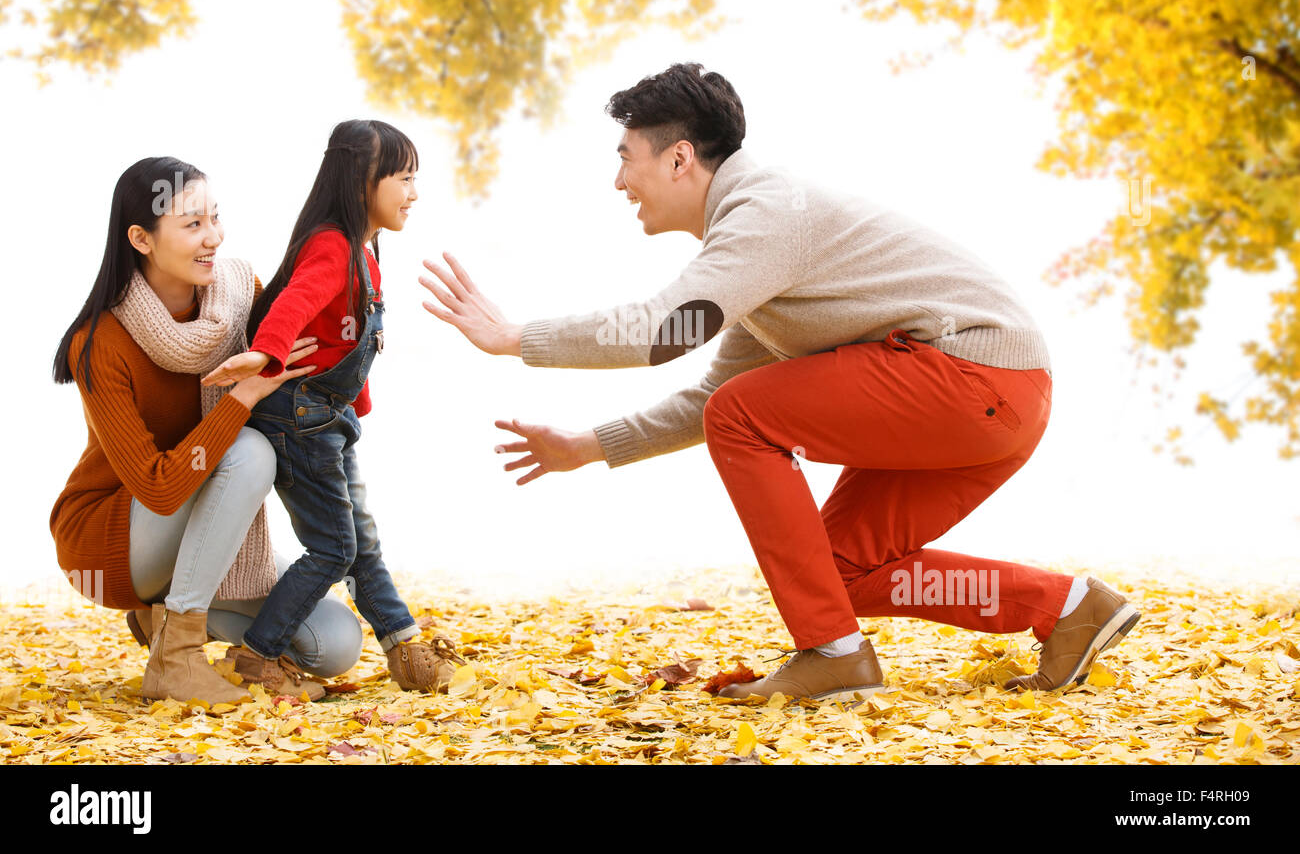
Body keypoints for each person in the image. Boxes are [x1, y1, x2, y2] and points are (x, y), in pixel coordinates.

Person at [418, 62, 1140, 702]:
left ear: (678, 160)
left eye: (624, 158)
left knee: (746, 419)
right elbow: (711, 403)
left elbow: (666, 330)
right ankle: (1068, 607)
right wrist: (587, 446)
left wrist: (515, 339)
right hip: (995, 401)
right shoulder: (755, 255)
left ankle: (833, 652)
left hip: (975, 376)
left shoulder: (763, 213)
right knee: (839, 568)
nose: (616, 181)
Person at [51, 156, 363, 706]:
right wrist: (244, 394)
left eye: (215, 218)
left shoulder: (237, 295)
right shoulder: (99, 343)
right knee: (247, 450)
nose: (213, 238)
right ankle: (178, 659)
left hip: (194, 535)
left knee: (334, 642)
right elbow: (160, 487)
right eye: (193, 224)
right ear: (141, 240)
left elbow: (307, 380)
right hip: (111, 539)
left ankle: (162, 622)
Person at [202, 120, 466, 698]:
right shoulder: (332, 243)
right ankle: (257, 654)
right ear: (362, 180)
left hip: (327, 418)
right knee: (336, 547)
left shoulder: (366, 250)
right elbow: (297, 302)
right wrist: (266, 354)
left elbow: (346, 338)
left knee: (359, 539)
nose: (414, 193)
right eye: (404, 178)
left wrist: (354, 405)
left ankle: (404, 646)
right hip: (299, 419)